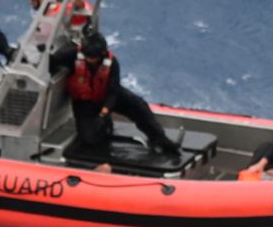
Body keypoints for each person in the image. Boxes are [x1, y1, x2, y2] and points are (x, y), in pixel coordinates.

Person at [50, 31, 180, 154]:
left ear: (102, 53)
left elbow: (113, 91)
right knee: (89, 138)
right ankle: (103, 138)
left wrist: (103, 113)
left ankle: (160, 139)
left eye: (93, 57)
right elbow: (53, 61)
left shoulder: (112, 63)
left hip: (107, 95)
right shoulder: (71, 55)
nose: (90, 60)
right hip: (84, 102)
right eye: (87, 56)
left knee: (139, 106)